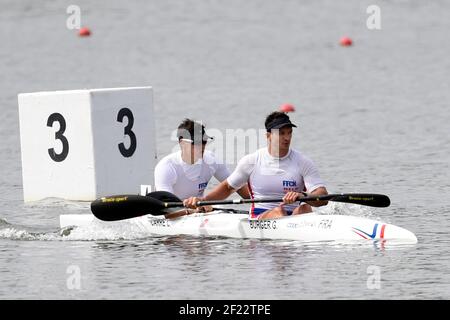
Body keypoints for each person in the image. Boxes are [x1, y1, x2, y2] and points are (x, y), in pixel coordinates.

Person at [183, 111, 328, 219]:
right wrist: (202, 202)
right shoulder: (252, 161)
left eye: (289, 133)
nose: (287, 138)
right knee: (280, 211)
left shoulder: (303, 162)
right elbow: (228, 187)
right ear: (268, 136)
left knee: (305, 208)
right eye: (281, 133)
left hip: (296, 216)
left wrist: (303, 195)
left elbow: (322, 196)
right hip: (262, 216)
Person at [154, 118, 250, 218]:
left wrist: (262, 202)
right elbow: (166, 211)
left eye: (204, 141)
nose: (202, 146)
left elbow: (235, 186)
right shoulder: (166, 167)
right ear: (182, 143)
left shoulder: (212, 160)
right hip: (176, 213)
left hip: (200, 210)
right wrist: (192, 211)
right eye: (196, 142)